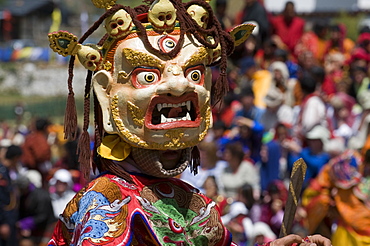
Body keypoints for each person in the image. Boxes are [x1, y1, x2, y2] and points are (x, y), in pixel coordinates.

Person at [47, 0, 331, 245]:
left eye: (194, 74)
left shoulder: (195, 202)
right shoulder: (105, 202)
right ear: (107, 97)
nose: (180, 86)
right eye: (148, 76)